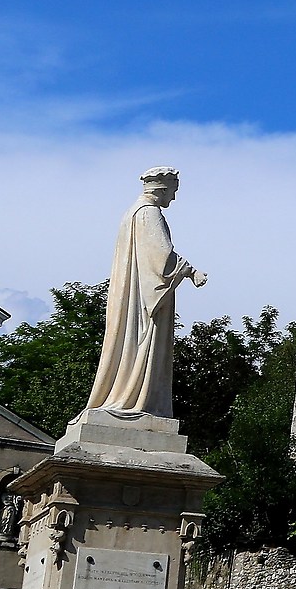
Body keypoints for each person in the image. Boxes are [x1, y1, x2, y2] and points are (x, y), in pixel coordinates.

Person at [85, 166, 206, 421]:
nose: (173, 197)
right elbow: (161, 258)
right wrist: (191, 271)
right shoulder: (149, 214)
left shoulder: (132, 213)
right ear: (162, 188)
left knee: (128, 347)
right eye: (173, 191)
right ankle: (137, 401)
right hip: (143, 302)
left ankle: (129, 396)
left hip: (134, 297)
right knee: (141, 346)